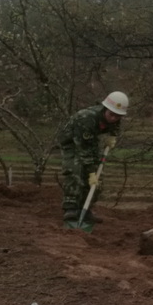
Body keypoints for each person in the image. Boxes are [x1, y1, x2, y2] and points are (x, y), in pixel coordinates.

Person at [59, 91, 128, 223]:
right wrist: (91, 173)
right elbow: (83, 150)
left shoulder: (115, 118)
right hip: (72, 142)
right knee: (76, 170)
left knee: (98, 178)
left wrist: (112, 136)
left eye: (117, 116)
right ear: (105, 109)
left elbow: (115, 125)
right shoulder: (86, 118)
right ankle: (71, 208)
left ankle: (86, 210)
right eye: (111, 115)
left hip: (90, 140)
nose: (114, 118)